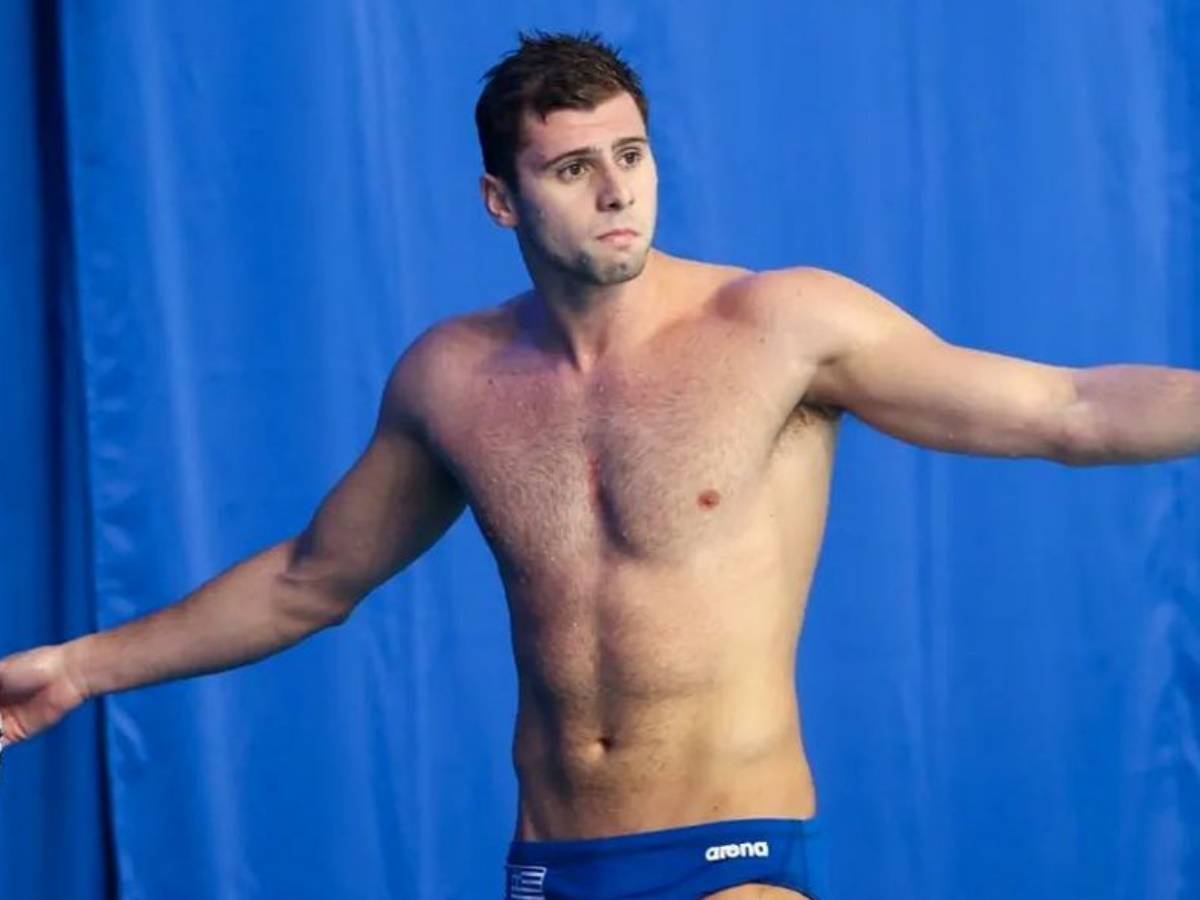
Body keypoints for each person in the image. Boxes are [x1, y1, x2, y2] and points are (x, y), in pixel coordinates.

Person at [1, 31, 1197, 900]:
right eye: (573, 168)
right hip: (549, 861)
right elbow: (309, 580)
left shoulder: (780, 327)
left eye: (632, 153)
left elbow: (1070, 409)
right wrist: (78, 668)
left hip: (734, 854)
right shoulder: (452, 378)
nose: (618, 189)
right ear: (501, 199)